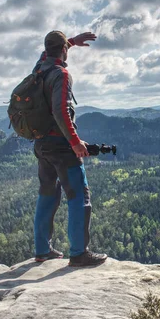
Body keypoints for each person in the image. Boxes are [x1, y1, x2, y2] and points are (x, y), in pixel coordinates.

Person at [32, 30, 107, 267]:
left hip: (41, 144)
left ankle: (42, 250)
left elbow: (47, 54)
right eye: (66, 48)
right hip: (61, 146)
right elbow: (61, 111)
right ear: (63, 50)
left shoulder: (39, 70)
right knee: (79, 196)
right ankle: (78, 253)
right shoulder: (61, 75)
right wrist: (75, 142)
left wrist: (70, 42)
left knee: (47, 195)